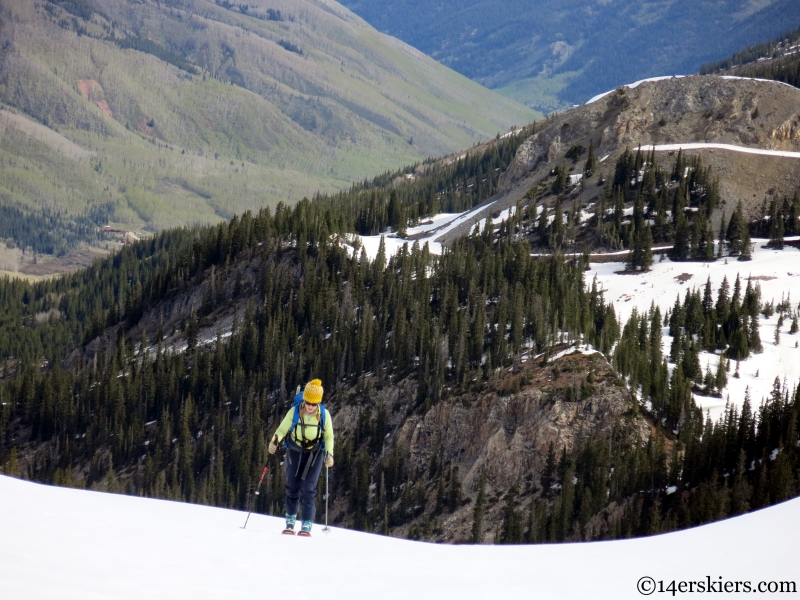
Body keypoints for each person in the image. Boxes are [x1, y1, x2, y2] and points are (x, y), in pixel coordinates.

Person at [268, 379, 334, 535]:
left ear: (318, 403)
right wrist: (274, 441)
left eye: (313, 404)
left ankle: (306, 524)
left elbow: (329, 436)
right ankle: (290, 520)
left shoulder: (324, 414)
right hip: (295, 450)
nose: (310, 407)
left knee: (308, 489)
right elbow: (282, 429)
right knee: (292, 486)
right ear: (304, 400)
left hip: (315, 454)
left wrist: (329, 453)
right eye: (308, 403)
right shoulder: (295, 411)